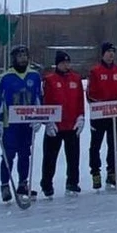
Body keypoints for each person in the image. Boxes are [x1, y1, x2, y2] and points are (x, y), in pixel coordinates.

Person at [0, 45, 44, 202]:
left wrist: (39, 118)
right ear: (14, 58)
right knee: (8, 154)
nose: (23, 58)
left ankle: (23, 183)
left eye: (25, 55)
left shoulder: (34, 76)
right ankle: (5, 185)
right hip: (10, 124)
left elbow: (38, 98)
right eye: (20, 56)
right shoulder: (6, 78)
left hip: (26, 123)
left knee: (25, 153)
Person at [39, 50, 85, 197]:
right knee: (50, 157)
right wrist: (47, 121)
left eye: (67, 62)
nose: (66, 65)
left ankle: (72, 182)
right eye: (63, 62)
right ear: (57, 64)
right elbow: (44, 101)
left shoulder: (76, 79)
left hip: (72, 124)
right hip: (56, 125)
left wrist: (81, 117)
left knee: (73, 157)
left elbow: (79, 100)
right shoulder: (49, 79)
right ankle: (46, 184)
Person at [87, 41, 117, 190]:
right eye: (108, 52)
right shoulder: (95, 71)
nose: (111, 54)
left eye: (113, 52)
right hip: (99, 115)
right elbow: (90, 93)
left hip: (115, 115)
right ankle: (95, 172)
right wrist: (103, 105)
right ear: (103, 54)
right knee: (95, 145)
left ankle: (112, 172)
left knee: (113, 145)